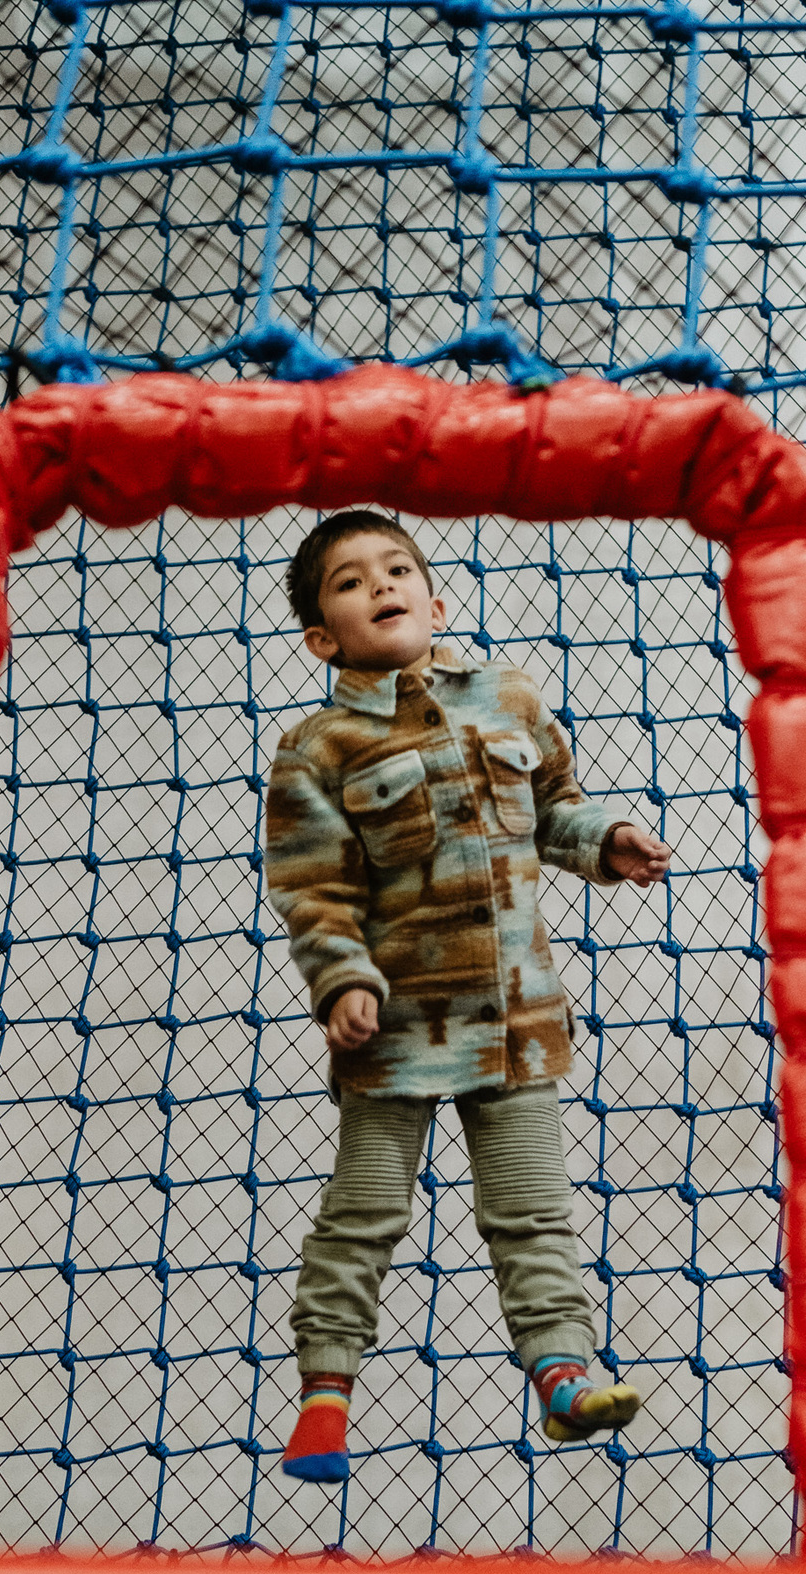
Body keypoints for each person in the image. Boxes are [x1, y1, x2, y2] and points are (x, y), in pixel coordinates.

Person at [264, 511, 672, 1483]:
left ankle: (563, 1375)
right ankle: (326, 1395)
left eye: (396, 569)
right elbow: (313, 886)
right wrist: (343, 981)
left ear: (436, 599)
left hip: (517, 1023)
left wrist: (603, 843)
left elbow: (554, 809)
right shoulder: (317, 749)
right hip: (394, 1027)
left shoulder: (509, 698)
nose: (380, 586)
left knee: (532, 1213)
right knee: (363, 1213)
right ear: (324, 637)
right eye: (350, 581)